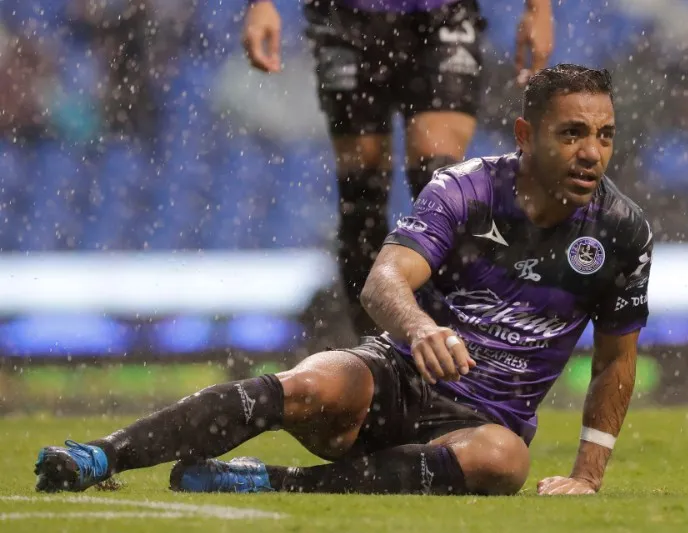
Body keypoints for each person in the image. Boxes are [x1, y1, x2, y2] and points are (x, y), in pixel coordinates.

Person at [34, 64, 652, 497]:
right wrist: (418, 327)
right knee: (311, 383)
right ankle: (99, 455)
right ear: (527, 135)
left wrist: (587, 476)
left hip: (484, 424)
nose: (592, 152)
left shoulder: (622, 232)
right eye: (571, 133)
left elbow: (615, 362)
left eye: (604, 135)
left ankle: (270, 482)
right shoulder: (466, 190)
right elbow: (383, 280)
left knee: (504, 462)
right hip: (397, 375)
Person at [241, 0, 554, 336]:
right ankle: (372, 352)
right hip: (345, 17)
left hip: (443, 15)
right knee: (362, 191)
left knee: (439, 180)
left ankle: (455, 343)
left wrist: (538, 9)